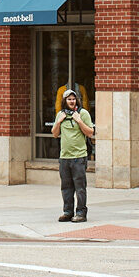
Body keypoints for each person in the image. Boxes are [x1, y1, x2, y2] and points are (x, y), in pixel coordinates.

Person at [51, 89, 95, 222]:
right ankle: (68, 212)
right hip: (64, 157)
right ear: (65, 101)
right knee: (66, 187)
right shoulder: (60, 114)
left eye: (73, 99)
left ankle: (81, 213)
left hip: (78, 157)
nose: (72, 101)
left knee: (80, 187)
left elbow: (90, 133)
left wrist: (79, 121)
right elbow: (54, 133)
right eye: (69, 99)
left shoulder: (83, 113)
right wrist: (59, 122)